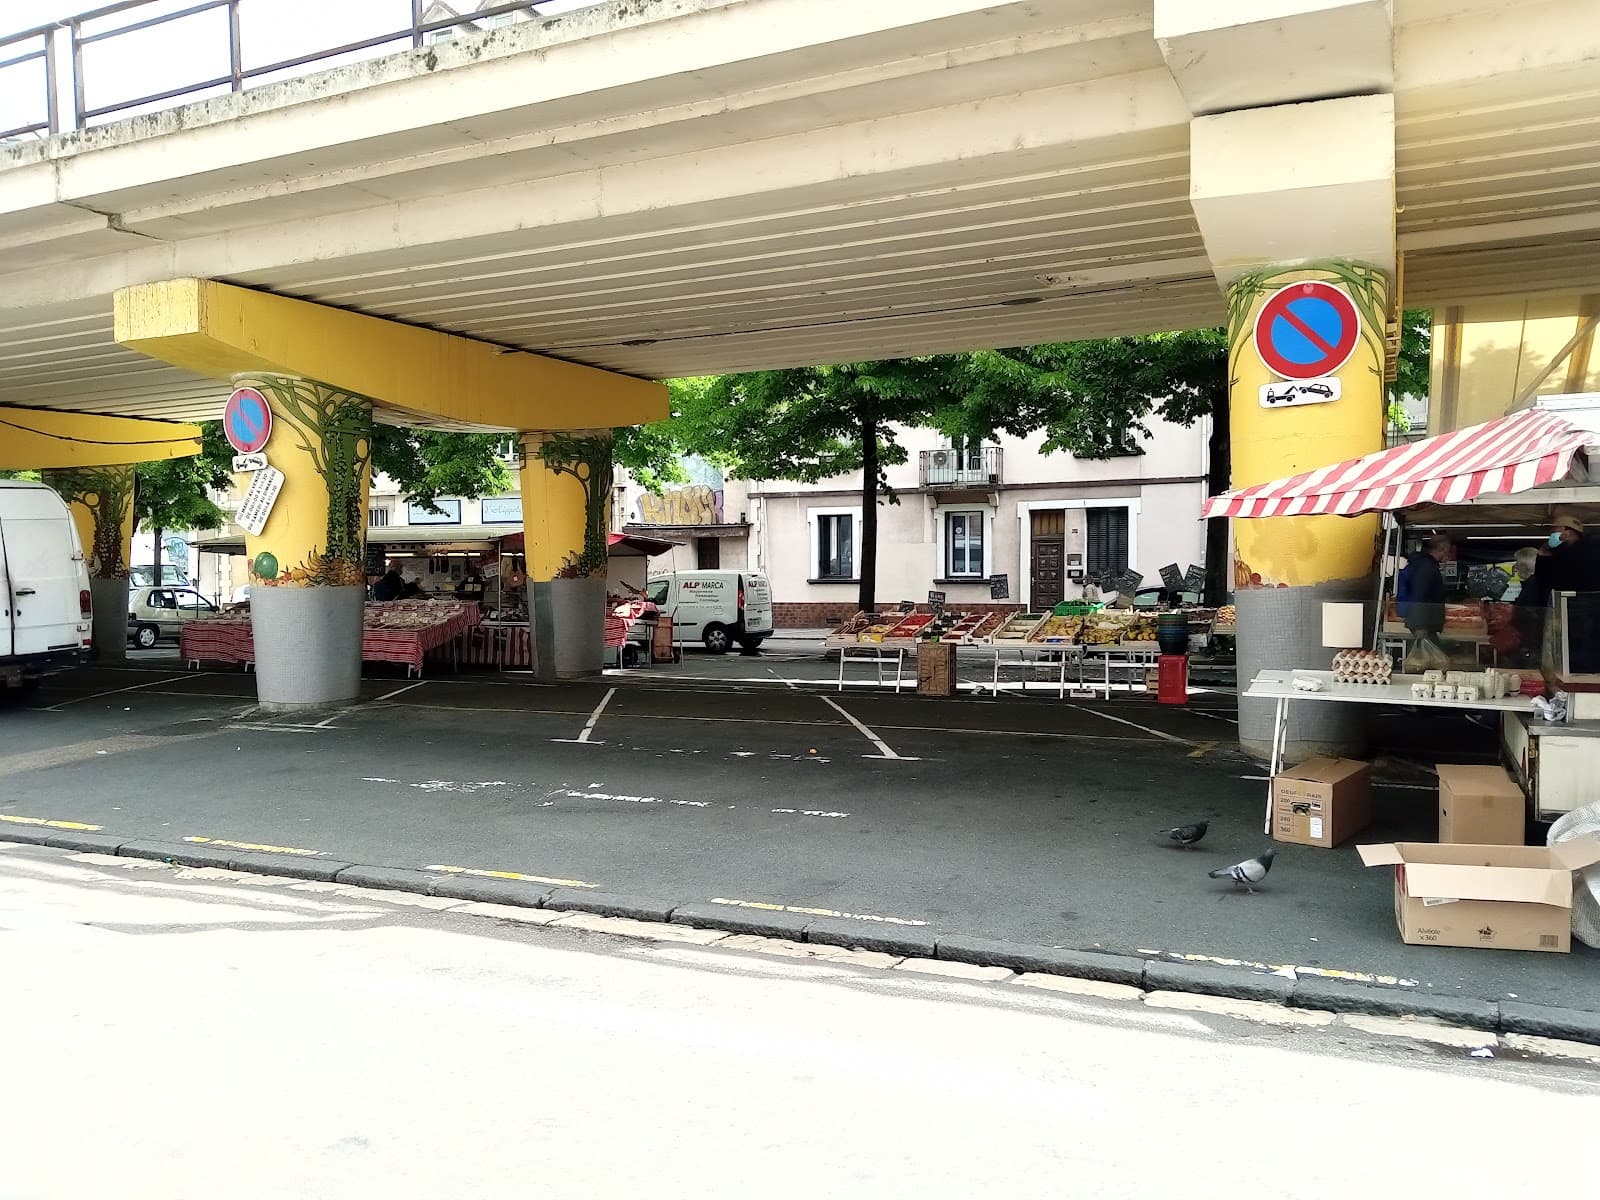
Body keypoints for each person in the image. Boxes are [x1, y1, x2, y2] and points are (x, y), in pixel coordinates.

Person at [1404, 535, 1450, 650]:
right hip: (1423, 624)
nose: (1448, 556)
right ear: (1442, 549)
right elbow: (1419, 594)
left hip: (1423, 622)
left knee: (1427, 655)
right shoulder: (1427, 567)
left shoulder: (1424, 565)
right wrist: (1421, 626)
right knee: (1430, 657)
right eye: (1448, 551)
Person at [1543, 512, 1600, 594]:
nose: (1551, 534)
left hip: (1577, 602)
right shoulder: (1592, 547)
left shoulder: (1570, 554)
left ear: (1567, 533)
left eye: (1554, 531)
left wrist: (1545, 551)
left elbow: (1554, 581)